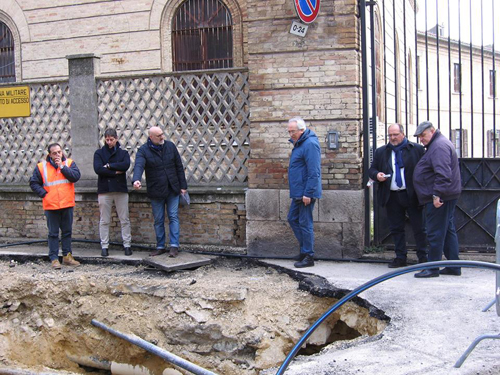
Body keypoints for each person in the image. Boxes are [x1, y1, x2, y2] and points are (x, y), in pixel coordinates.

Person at [368, 123, 427, 267]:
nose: (393, 138)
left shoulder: (416, 149)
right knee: (396, 228)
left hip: (412, 194)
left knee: (419, 227)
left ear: (403, 134)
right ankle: (400, 257)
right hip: (392, 195)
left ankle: (423, 257)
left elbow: (426, 170)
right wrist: (377, 175)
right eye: (390, 135)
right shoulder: (382, 152)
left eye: (395, 135)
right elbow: (372, 170)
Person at [413, 121, 462, 278]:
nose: (421, 139)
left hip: (440, 198)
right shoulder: (437, 144)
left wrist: (436, 195)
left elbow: (443, 174)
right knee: (447, 231)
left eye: (423, 135)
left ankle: (432, 268)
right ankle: (454, 266)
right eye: (419, 136)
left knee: (435, 232)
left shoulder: (439, 146)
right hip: (445, 195)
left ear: (432, 131)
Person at [132, 127, 188, 258]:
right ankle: (160, 246)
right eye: (159, 136)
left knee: (173, 216)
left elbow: (179, 166)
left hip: (172, 188)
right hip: (156, 190)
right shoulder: (143, 150)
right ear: (151, 137)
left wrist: (183, 186)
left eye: (162, 134)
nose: (162, 137)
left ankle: (174, 246)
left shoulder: (170, 146)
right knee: (158, 220)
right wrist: (136, 180)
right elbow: (139, 166)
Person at [29, 143, 81, 269]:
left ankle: (67, 256)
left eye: (59, 152)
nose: (58, 155)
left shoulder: (69, 163)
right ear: (50, 155)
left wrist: (62, 167)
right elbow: (33, 182)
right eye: (54, 153)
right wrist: (44, 194)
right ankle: (54, 258)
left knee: (67, 232)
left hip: (66, 203)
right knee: (53, 233)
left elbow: (75, 177)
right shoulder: (42, 167)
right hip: (51, 205)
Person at [287, 117, 322, 268]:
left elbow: (314, 171)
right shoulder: (300, 143)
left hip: (305, 192)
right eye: (288, 131)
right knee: (293, 219)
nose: (290, 134)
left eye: (292, 131)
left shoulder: (310, 144)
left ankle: (308, 256)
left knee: (305, 222)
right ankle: (305, 250)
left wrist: (308, 193)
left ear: (302, 130)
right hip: (298, 192)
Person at [93, 128, 132, 257]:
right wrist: (115, 171)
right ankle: (104, 246)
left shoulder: (123, 153)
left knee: (124, 219)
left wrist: (109, 166)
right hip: (105, 189)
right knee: (104, 220)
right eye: (107, 139)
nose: (109, 142)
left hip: (120, 189)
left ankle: (127, 244)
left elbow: (125, 165)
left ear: (116, 138)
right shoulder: (99, 153)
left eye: (111, 139)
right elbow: (98, 169)